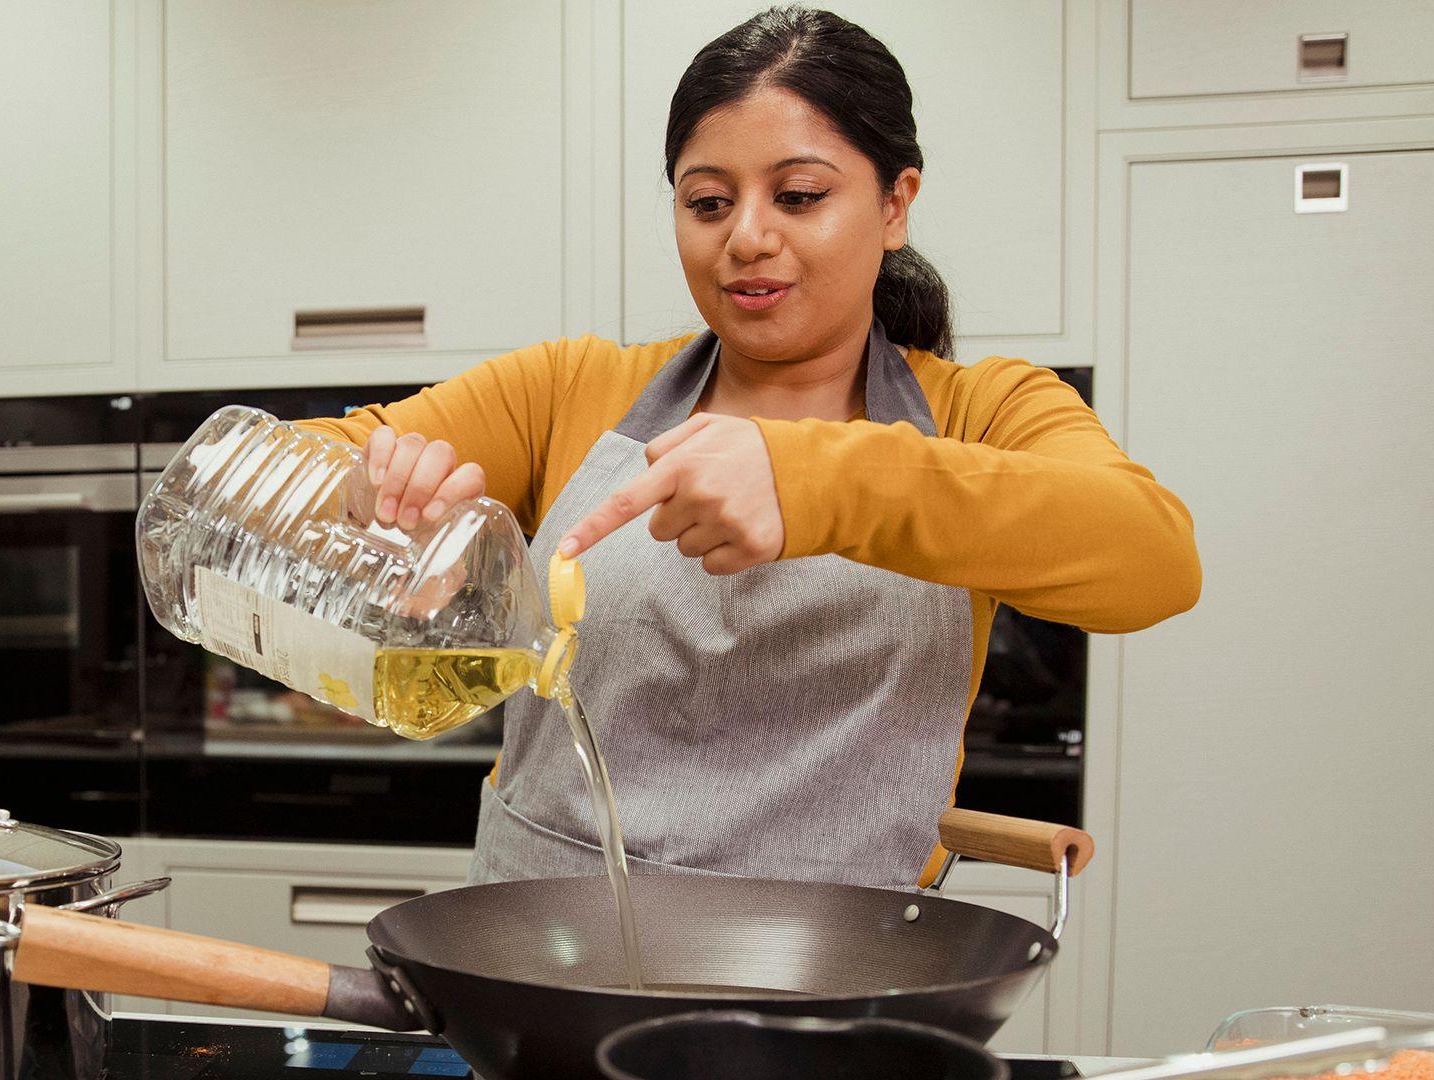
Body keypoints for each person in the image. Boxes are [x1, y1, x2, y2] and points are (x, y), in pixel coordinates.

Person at [299, 6, 1199, 890]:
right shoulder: (569, 390)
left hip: (828, 989)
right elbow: (275, 470)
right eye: (708, 203)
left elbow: (1154, 559)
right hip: (537, 961)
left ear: (895, 204)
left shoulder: (983, 410)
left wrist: (816, 482)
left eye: (800, 196)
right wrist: (363, 488)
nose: (747, 239)